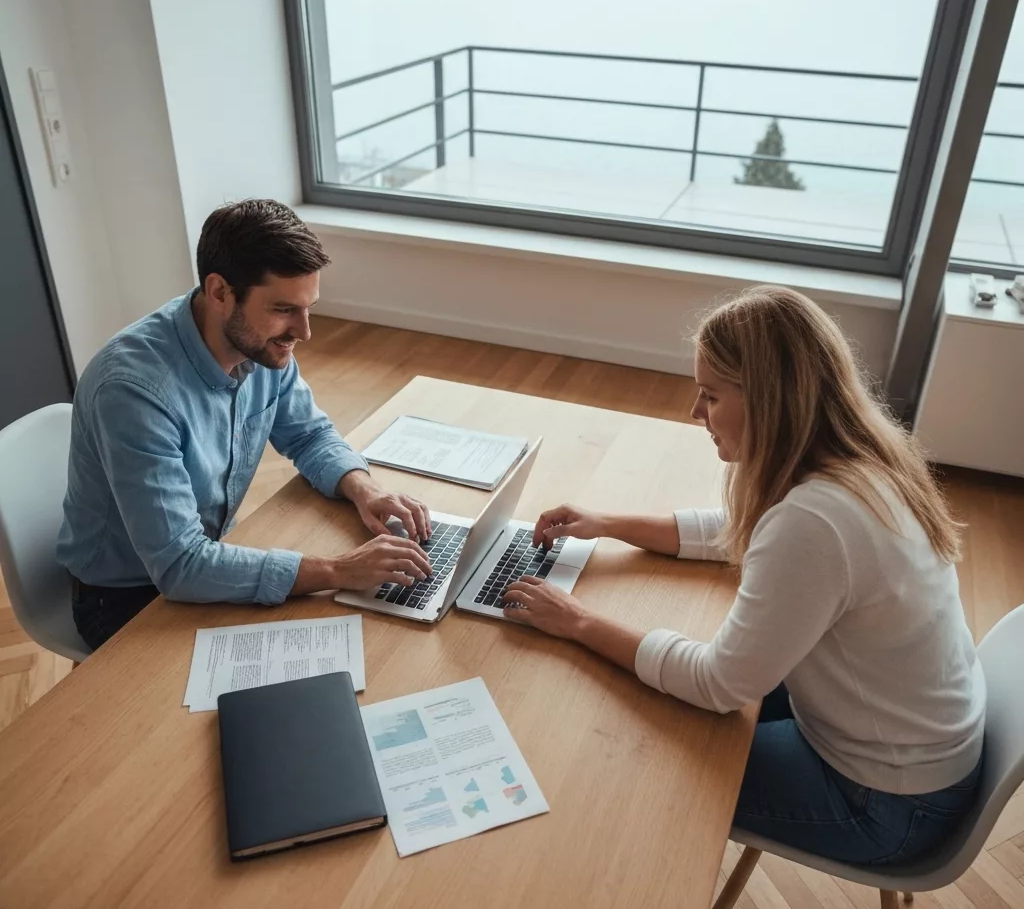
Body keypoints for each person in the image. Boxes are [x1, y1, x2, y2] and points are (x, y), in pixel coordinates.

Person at [501, 285, 985, 866]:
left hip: (887, 801)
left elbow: (718, 684)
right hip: (917, 745)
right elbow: (743, 529)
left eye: (709, 396)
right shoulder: (862, 457)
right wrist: (609, 522)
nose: (694, 413)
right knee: (652, 691)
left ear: (768, 399)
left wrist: (577, 621)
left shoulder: (815, 522)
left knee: (626, 764)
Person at [59, 199, 433, 651]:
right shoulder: (134, 391)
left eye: (308, 307)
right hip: (128, 598)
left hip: (206, 556)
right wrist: (338, 570)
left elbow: (309, 434)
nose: (304, 331)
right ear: (220, 292)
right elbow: (180, 566)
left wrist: (363, 489)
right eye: (283, 309)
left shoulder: (265, 347)